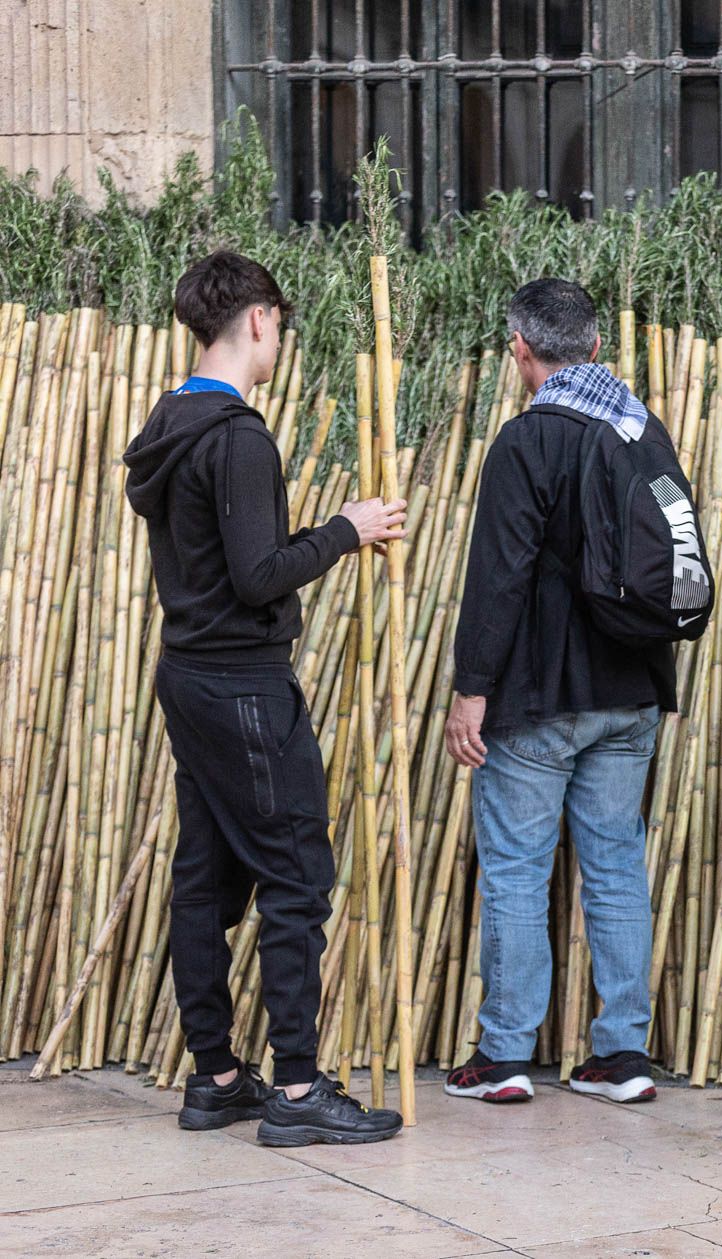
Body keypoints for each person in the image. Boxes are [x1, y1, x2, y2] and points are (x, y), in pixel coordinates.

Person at [125, 250, 407, 1146]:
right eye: (279, 323)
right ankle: (294, 1090)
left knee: (204, 874)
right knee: (294, 875)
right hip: (244, 680)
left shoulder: (171, 420)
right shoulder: (238, 435)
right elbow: (256, 575)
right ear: (255, 320)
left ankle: (215, 1077)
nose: (279, 337)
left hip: (189, 674)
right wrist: (346, 529)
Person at [443, 279, 675, 1105]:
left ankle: (504, 1053)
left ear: (519, 349)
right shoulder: (643, 430)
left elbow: (497, 579)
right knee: (615, 866)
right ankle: (621, 1055)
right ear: (598, 348)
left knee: (514, 869)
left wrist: (472, 691)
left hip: (540, 696)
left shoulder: (526, 441)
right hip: (633, 690)